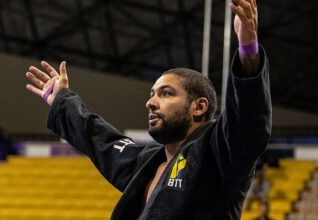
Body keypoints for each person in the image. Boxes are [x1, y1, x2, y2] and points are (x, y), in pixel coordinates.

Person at [25, 0, 271, 219]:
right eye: (152, 94)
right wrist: (62, 100)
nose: (151, 102)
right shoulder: (147, 162)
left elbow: (248, 118)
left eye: (166, 93)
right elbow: (99, 138)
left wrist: (248, 50)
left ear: (199, 106)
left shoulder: (219, 151)